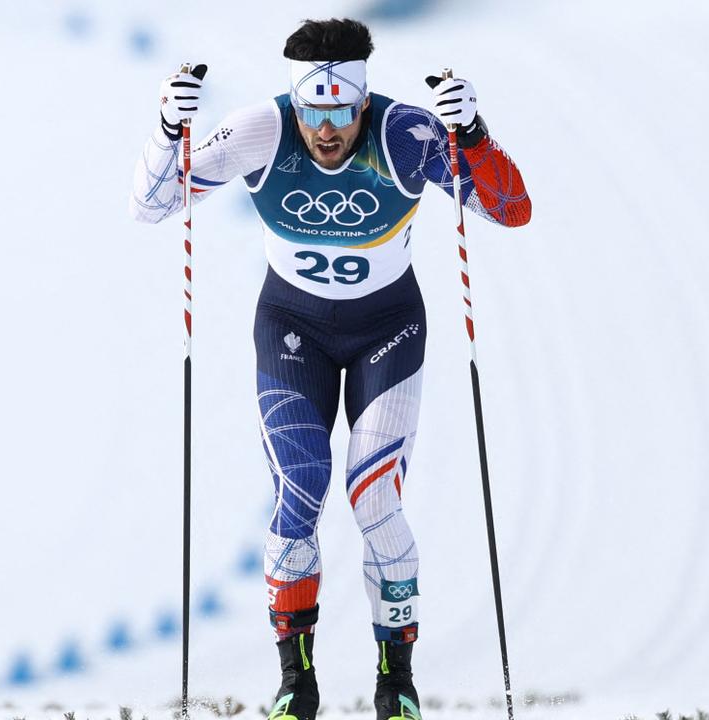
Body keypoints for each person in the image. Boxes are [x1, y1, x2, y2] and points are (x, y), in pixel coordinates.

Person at [131, 17, 531, 720]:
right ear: (295, 104)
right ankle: (296, 680)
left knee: (375, 499)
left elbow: (511, 212)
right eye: (313, 112)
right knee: (301, 486)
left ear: (363, 100)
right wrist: (168, 129)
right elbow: (152, 206)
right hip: (293, 331)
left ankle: (395, 680)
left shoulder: (405, 135)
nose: (326, 131)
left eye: (342, 112)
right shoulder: (260, 130)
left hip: (389, 331)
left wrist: (473, 137)